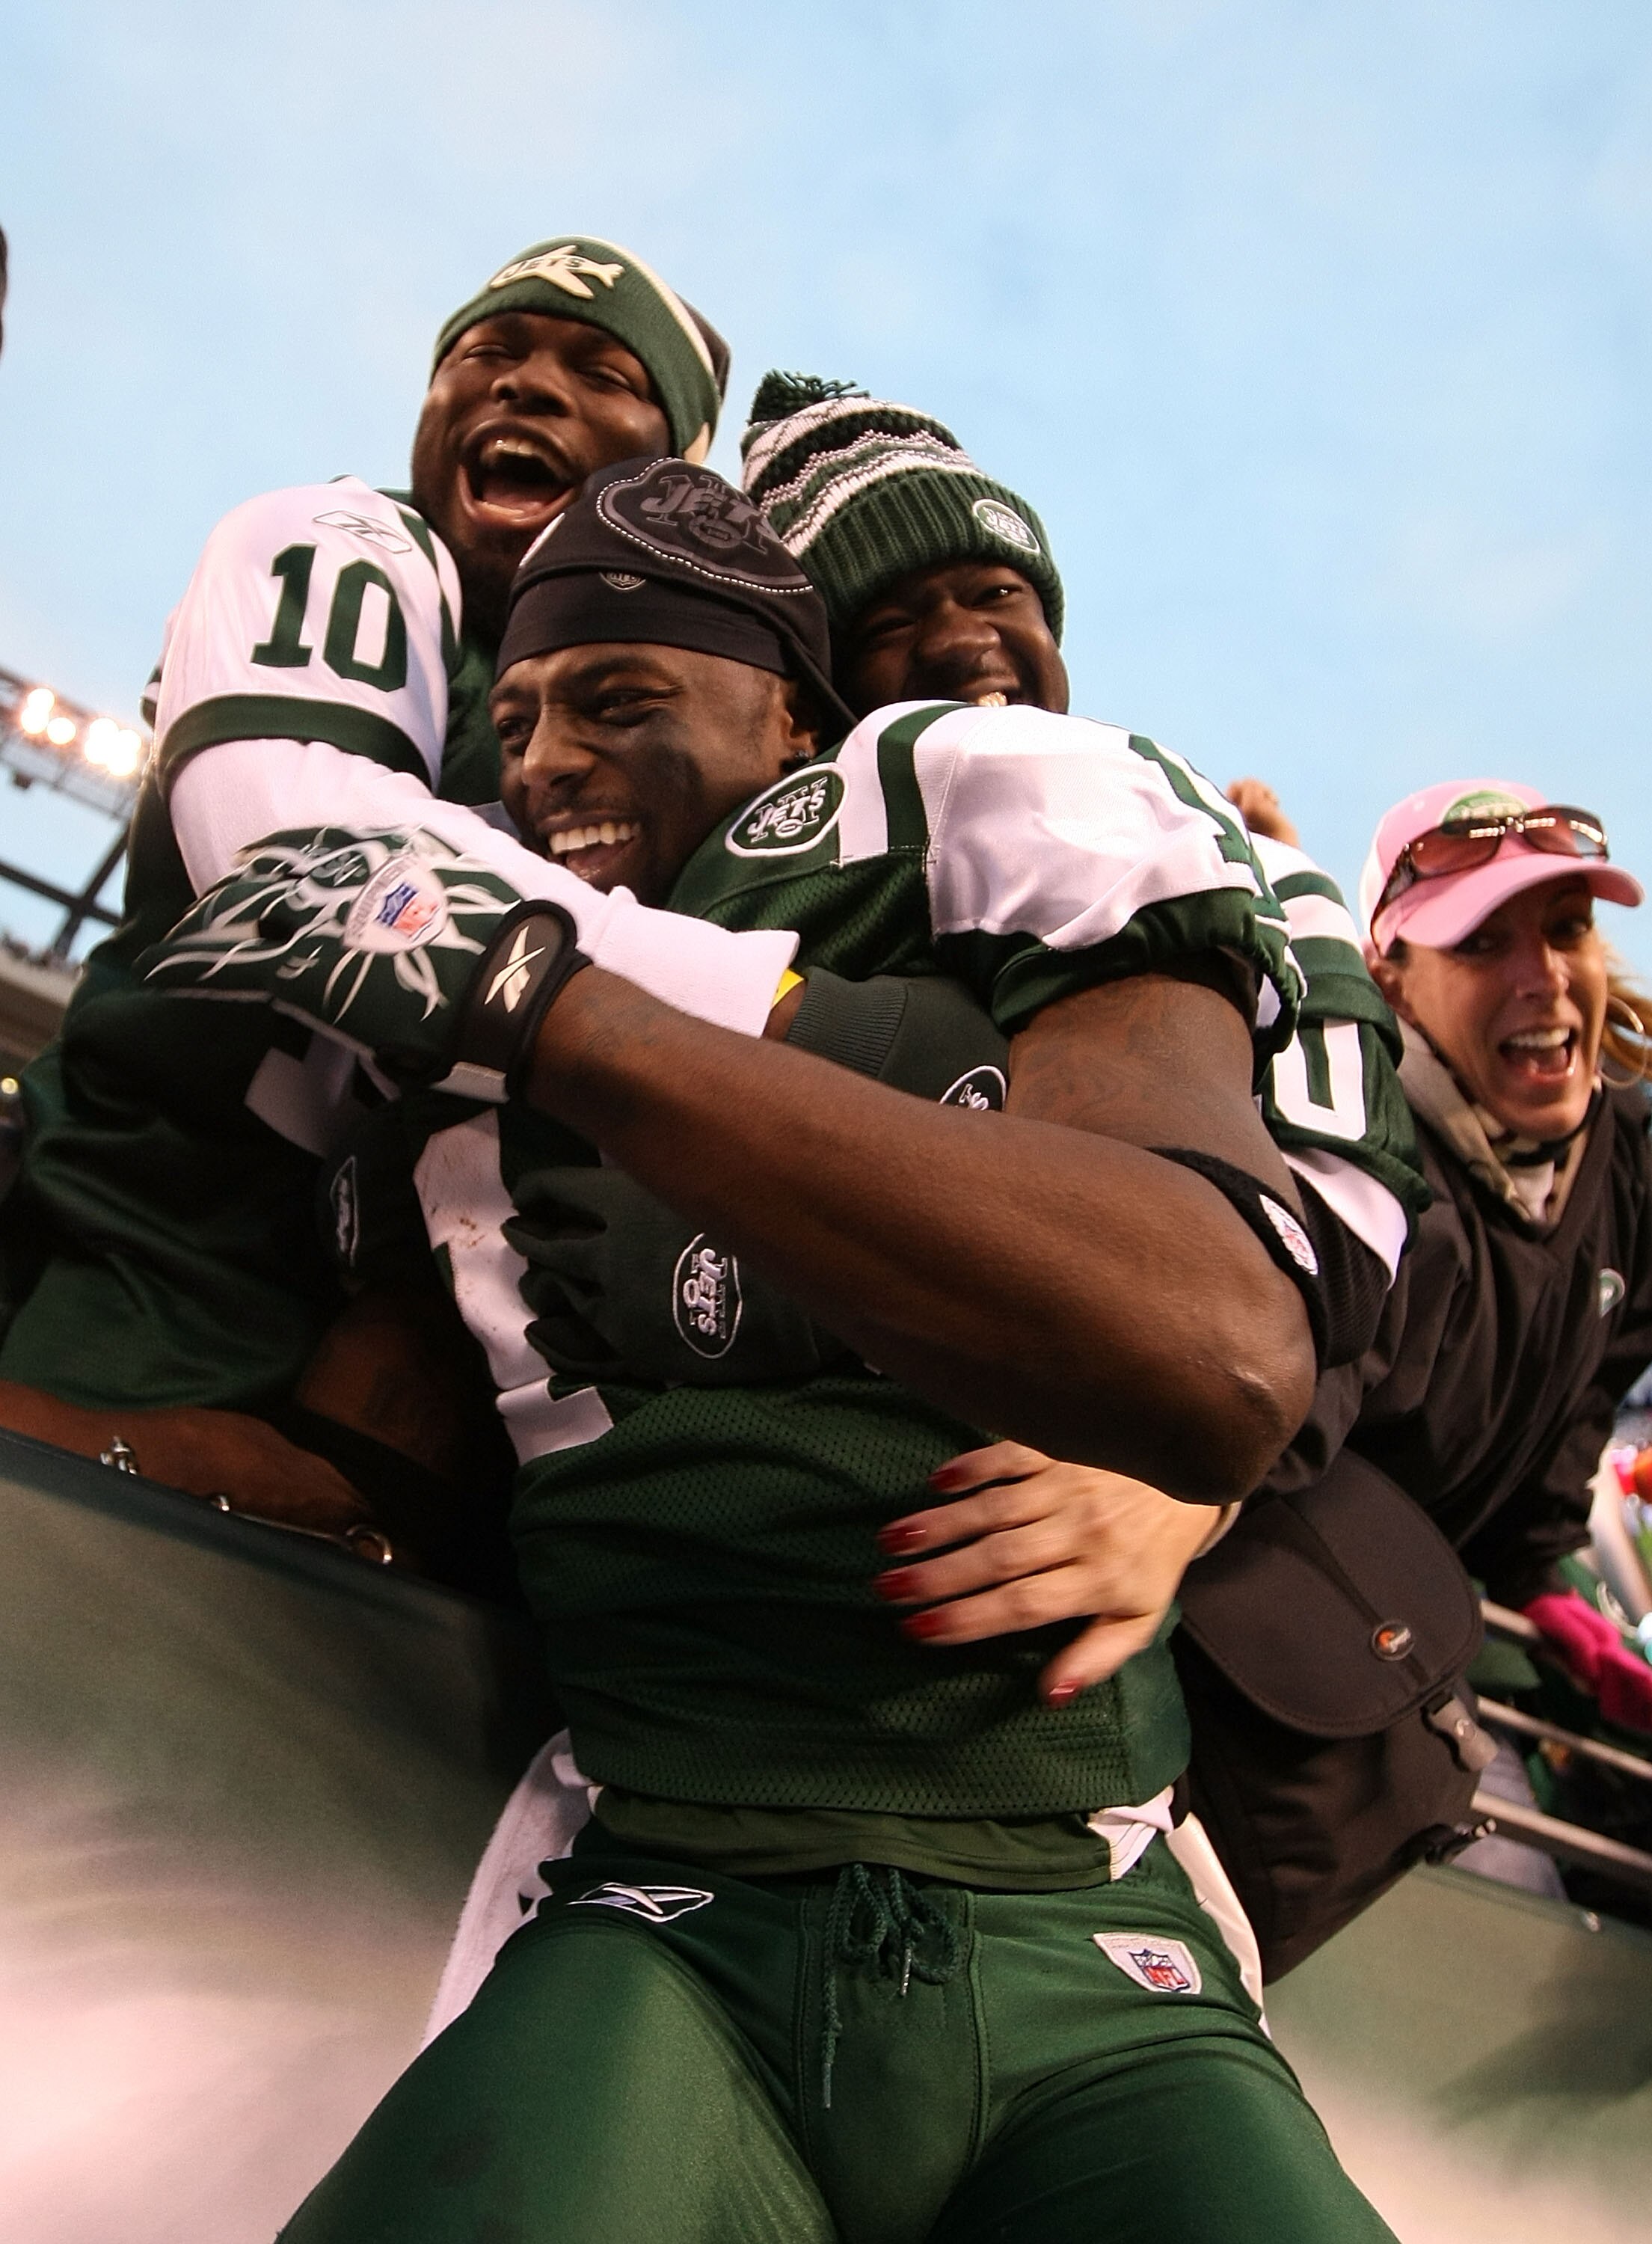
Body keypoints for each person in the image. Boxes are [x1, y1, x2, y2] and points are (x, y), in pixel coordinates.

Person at [147, 456, 1392, 2241]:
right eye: (514, 717)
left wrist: (565, 1011)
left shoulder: (953, 809)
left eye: (619, 698)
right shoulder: (442, 1062)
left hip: (1084, 1927)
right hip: (677, 1899)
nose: (548, 758)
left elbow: (1210, 1346)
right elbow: (355, 1449)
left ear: (796, 713)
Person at [0, 234, 775, 1549]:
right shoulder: (348, 544)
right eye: (485, 353)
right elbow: (315, 876)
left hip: (451, 1370)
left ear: (679, 473)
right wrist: (799, 1036)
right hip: (166, 1281)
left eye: (598, 370)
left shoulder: (710, 706)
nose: (524, 385)